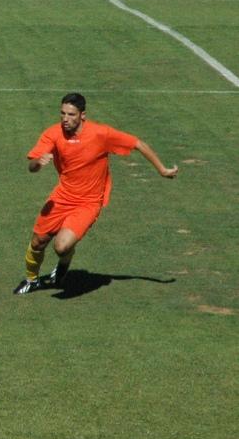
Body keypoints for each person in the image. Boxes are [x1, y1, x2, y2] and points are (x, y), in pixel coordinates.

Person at [13, 93, 178, 295]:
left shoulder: (101, 134)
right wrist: (37, 164)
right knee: (38, 242)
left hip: (88, 203)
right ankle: (32, 280)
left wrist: (162, 170)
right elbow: (32, 165)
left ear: (83, 115)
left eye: (71, 114)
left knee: (62, 246)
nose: (65, 118)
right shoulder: (53, 134)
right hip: (61, 198)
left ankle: (63, 265)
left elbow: (137, 143)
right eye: (62, 113)